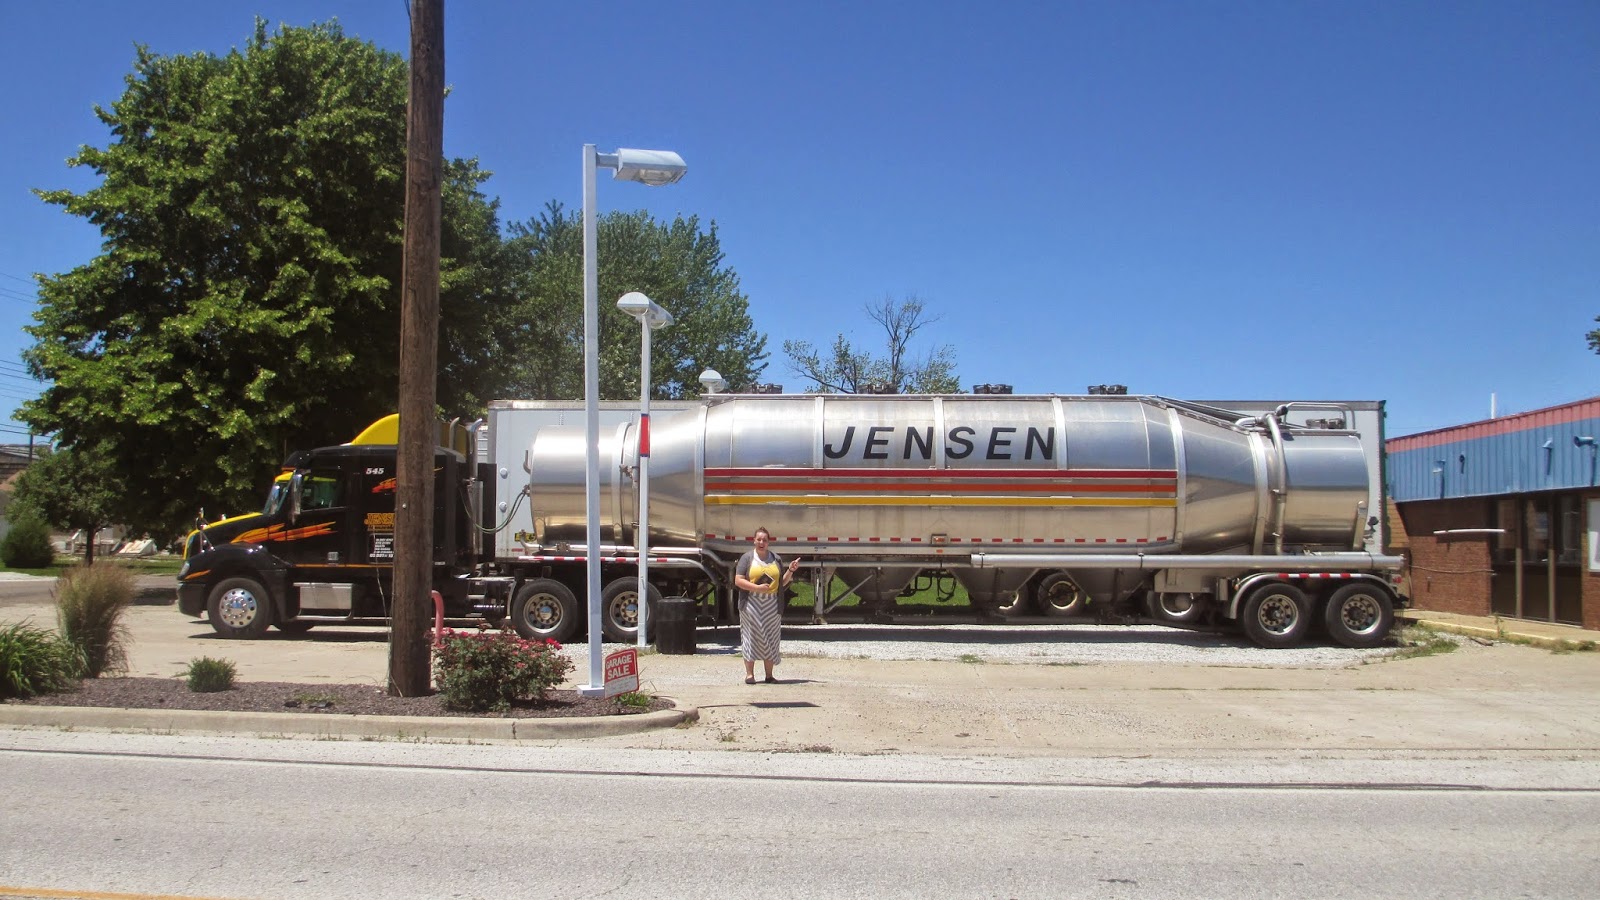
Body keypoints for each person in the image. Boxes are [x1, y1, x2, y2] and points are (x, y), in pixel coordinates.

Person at [733, 526, 800, 684]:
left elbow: (781, 583)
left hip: (772, 603)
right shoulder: (747, 558)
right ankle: (750, 675)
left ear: (769, 542)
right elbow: (738, 580)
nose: (761, 542)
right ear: (754, 541)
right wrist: (756, 588)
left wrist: (790, 570)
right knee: (750, 637)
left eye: (764, 540)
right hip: (751, 603)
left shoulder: (776, 559)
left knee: (771, 638)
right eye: (759, 540)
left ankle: (769, 675)